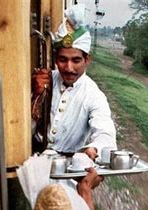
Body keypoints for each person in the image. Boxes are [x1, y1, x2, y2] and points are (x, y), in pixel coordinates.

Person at [32, 4, 117, 160]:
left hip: (69, 171)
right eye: (63, 60)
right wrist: (36, 96)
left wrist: (95, 148)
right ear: (56, 60)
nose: (69, 68)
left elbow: (106, 132)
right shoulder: (43, 81)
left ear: (87, 60)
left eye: (76, 60)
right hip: (33, 163)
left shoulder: (93, 94)